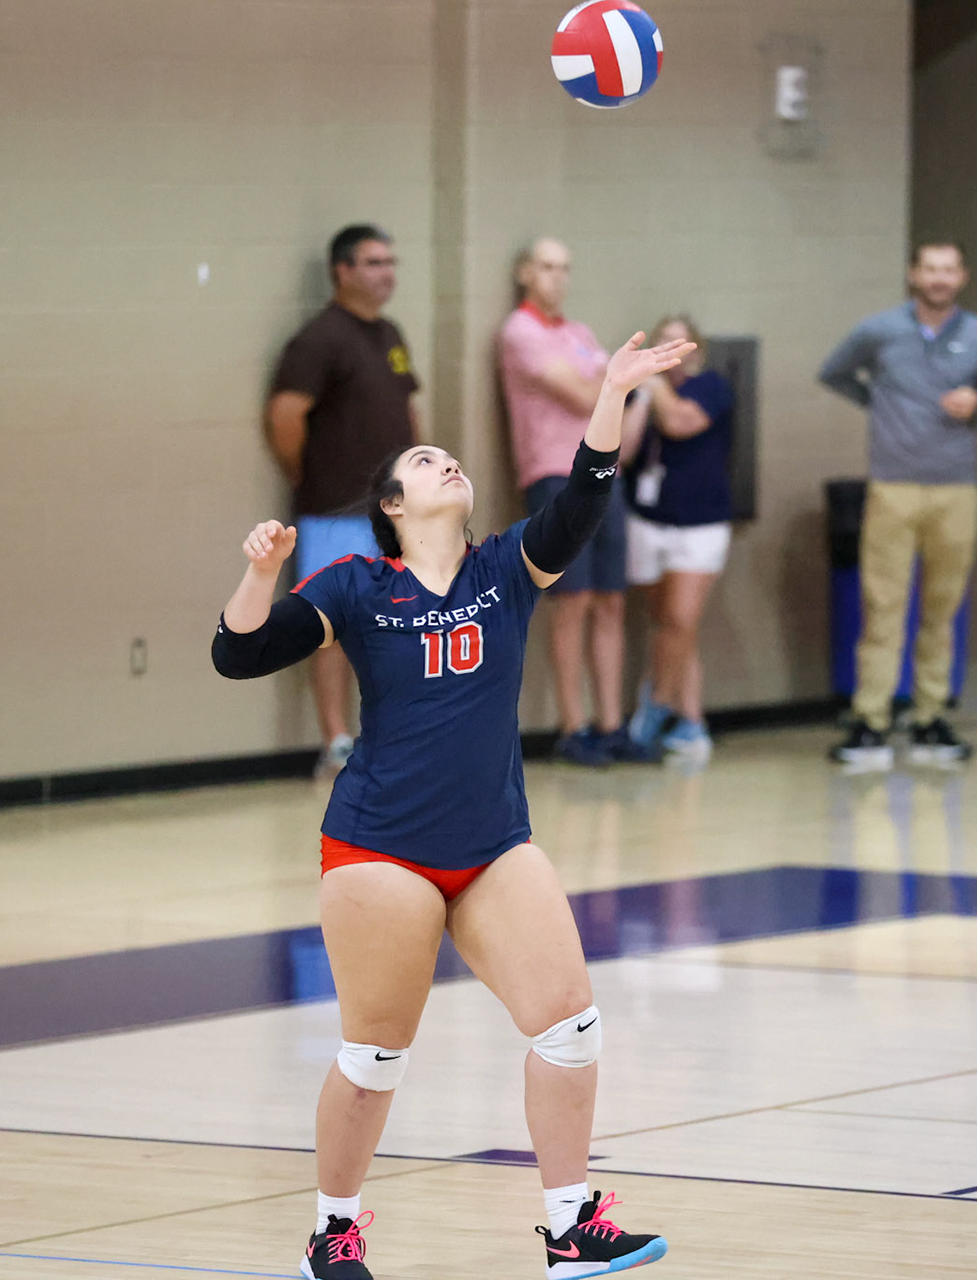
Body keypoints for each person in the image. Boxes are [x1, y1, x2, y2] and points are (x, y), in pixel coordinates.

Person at [214, 330, 694, 1280]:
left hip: (491, 845)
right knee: (376, 1057)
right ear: (394, 506)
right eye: (426, 462)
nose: (448, 462)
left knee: (570, 1023)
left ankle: (571, 1225)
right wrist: (261, 573)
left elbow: (584, 498)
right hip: (380, 848)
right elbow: (239, 654)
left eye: (450, 457)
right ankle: (334, 1232)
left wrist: (614, 395)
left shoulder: (504, 570)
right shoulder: (357, 585)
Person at [817, 241, 977, 768]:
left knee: (943, 608)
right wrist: (879, 406)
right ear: (914, 275)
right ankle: (871, 719)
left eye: (949, 270)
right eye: (930, 269)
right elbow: (833, 372)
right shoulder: (880, 331)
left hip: (956, 489)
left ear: (962, 277)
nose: (939, 278)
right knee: (883, 607)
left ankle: (931, 716)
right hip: (893, 487)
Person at [267, 224, 422, 775]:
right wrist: (310, 478)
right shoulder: (318, 339)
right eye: (374, 262)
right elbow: (285, 417)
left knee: (396, 622)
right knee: (331, 627)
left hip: (392, 514)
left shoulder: (391, 335)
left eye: (391, 261)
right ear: (344, 270)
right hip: (333, 512)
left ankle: (389, 735)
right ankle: (336, 740)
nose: (387, 273)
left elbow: (408, 416)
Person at [498, 238, 649, 766]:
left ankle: (612, 723)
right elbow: (591, 396)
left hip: (603, 474)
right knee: (574, 601)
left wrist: (619, 392)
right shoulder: (521, 332)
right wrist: (615, 390)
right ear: (524, 273)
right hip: (555, 478)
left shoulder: (579, 334)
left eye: (565, 268)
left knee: (611, 599)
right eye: (546, 267)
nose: (557, 278)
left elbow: (620, 393)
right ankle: (572, 725)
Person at [622, 316, 735, 762]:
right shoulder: (642, 392)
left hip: (700, 522)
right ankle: (690, 719)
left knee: (681, 618)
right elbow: (624, 451)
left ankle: (656, 706)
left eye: (678, 342)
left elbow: (680, 423)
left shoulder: (711, 387)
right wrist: (641, 396)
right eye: (662, 341)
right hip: (649, 518)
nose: (669, 349)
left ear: (696, 349)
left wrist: (656, 389)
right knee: (667, 623)